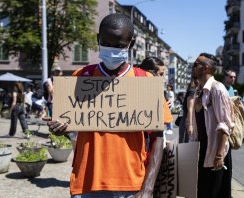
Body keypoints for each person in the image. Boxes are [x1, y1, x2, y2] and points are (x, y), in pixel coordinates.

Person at [43, 13, 172, 197]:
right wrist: (60, 129)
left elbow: (158, 137)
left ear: (131, 44)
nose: (112, 50)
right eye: (107, 43)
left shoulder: (144, 80)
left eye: (119, 46)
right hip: (87, 183)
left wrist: (148, 187)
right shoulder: (80, 77)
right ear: (98, 39)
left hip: (131, 184)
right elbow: (70, 125)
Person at [191, 53, 233, 198]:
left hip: (216, 153)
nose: (193, 66)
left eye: (197, 64)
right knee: (202, 192)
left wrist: (219, 156)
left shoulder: (217, 89)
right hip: (204, 151)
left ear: (206, 68)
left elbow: (225, 125)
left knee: (214, 194)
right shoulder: (200, 90)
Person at [178, 79, 198, 143]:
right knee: (185, 142)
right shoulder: (192, 91)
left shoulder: (191, 91)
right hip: (188, 119)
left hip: (186, 118)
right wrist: (190, 124)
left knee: (184, 141)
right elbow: (190, 108)